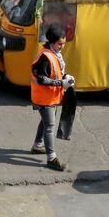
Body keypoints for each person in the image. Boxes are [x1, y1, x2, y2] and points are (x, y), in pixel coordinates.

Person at [31, 23, 74, 172]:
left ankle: (38, 145)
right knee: (50, 126)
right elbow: (42, 79)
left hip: (51, 97)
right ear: (52, 42)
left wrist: (65, 77)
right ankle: (51, 159)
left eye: (64, 43)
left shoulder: (54, 53)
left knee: (45, 122)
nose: (63, 46)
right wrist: (61, 83)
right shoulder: (44, 56)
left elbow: (56, 71)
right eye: (60, 44)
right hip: (44, 98)